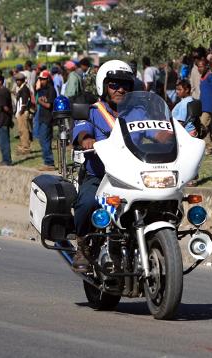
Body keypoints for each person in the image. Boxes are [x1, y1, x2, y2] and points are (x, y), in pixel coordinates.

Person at [71, 60, 135, 272]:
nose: (120, 89)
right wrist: (86, 138)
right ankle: (83, 245)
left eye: (125, 84)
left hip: (135, 178)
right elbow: (82, 130)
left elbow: (156, 132)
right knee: (87, 202)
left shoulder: (138, 112)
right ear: (104, 86)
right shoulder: (93, 111)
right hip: (101, 177)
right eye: (114, 85)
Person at [197, 58, 212, 155]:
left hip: (208, 107)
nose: (199, 69)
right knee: (204, 127)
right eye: (198, 67)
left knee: (202, 126)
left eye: (201, 66)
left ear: (206, 66)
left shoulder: (210, 77)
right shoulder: (202, 78)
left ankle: (209, 149)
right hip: (203, 106)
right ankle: (210, 149)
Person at [35, 70, 57, 171]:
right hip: (41, 117)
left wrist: (40, 101)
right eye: (40, 79)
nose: (41, 81)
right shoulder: (41, 90)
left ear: (47, 79)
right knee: (41, 139)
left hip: (47, 118)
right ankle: (47, 161)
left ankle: (49, 163)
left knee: (45, 140)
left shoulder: (51, 90)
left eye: (43, 79)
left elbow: (49, 105)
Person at [0, 74, 13, 167]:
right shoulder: (2, 91)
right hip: (3, 120)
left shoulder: (2, 93)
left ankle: (7, 160)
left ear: (0, 81)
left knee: (3, 142)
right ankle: (5, 159)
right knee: (2, 141)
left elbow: (5, 107)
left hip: (3, 121)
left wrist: (9, 116)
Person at [14, 72, 32, 155]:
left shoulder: (24, 89)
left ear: (23, 80)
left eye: (19, 80)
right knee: (21, 130)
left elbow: (24, 102)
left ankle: (26, 147)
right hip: (20, 112)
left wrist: (21, 112)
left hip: (23, 112)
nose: (17, 82)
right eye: (16, 80)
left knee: (24, 130)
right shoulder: (21, 88)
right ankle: (23, 145)